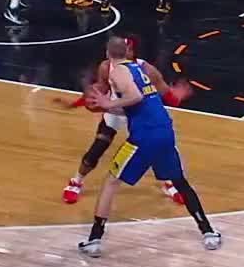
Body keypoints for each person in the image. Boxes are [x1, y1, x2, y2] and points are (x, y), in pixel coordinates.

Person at [79, 36, 222, 257]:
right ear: (127, 52)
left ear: (108, 54)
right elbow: (138, 104)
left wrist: (108, 103)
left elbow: (134, 97)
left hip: (143, 137)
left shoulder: (117, 71)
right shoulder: (141, 71)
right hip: (164, 131)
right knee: (180, 181)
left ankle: (94, 240)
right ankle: (208, 232)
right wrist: (109, 108)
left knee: (111, 181)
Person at [59, 36, 190, 205]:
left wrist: (177, 98)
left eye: (126, 49)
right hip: (116, 111)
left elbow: (166, 94)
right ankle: (76, 181)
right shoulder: (106, 67)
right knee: (96, 150)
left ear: (132, 52)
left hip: (139, 115)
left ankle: (170, 183)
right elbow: (99, 91)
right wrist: (77, 103)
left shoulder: (147, 70)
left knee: (160, 149)